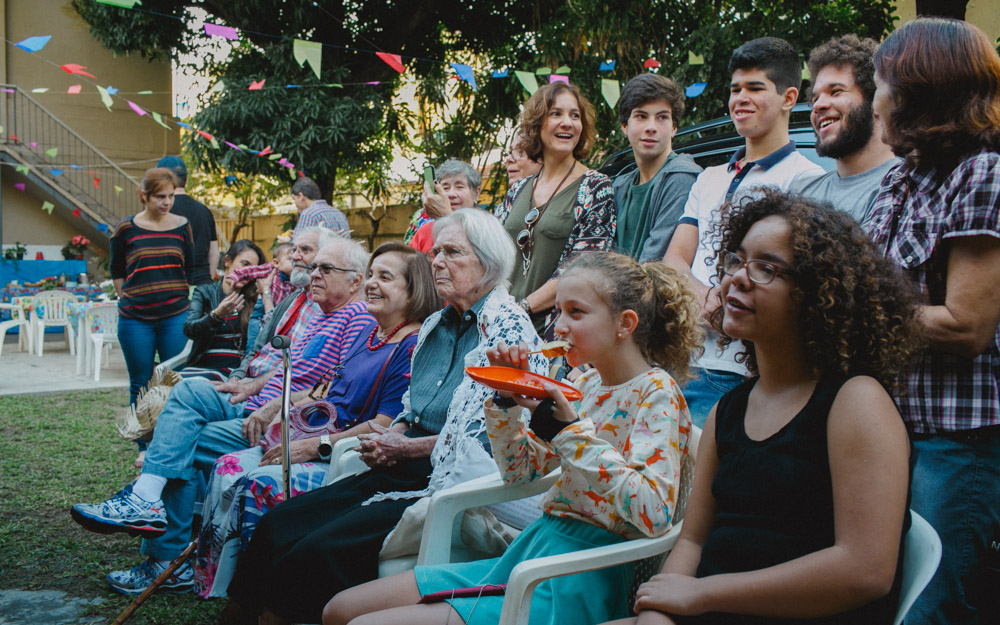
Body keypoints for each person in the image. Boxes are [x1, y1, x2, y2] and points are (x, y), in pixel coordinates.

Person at [326, 251, 701, 625]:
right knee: (339, 609)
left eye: (576, 312)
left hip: (576, 577)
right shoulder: (582, 384)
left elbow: (653, 512)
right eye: (557, 312)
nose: (558, 327)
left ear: (625, 323)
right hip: (532, 549)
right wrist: (506, 402)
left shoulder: (657, 392)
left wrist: (569, 434)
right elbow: (520, 474)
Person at [222, 208, 548, 625]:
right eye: (436, 252)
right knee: (277, 524)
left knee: (316, 551)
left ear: (488, 263)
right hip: (397, 461)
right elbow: (411, 409)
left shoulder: (507, 330)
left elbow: (490, 439)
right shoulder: (436, 324)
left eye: (452, 252)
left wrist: (406, 445)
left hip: (446, 479)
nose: (437, 261)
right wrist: (391, 437)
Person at [614, 190, 918, 625]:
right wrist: (658, 615)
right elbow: (694, 542)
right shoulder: (730, 410)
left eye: (766, 269)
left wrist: (700, 595)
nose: (737, 278)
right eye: (737, 261)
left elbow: (864, 570)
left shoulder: (855, 402)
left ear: (817, 293)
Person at [69, 237, 373, 595]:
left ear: (354, 280)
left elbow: (331, 387)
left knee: (178, 439)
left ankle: (160, 543)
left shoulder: (357, 317)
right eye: (313, 265)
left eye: (325, 268)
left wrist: (274, 407)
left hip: (279, 425)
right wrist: (253, 385)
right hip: (256, 403)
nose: (312, 273)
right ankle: (149, 505)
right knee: (186, 393)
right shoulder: (320, 313)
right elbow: (287, 370)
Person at [195, 242, 442, 598]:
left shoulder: (412, 344)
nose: (370, 283)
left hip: (344, 456)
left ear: (414, 289)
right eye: (371, 274)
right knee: (226, 466)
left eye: (384, 277)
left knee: (257, 484)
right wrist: (278, 408)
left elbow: (385, 425)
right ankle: (219, 586)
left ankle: (257, 598)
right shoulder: (369, 332)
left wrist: (314, 446)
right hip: (311, 434)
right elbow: (324, 387)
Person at [865, 18, 1000, 624]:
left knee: (931, 607)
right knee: (883, 596)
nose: (874, 102)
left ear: (918, 88)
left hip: (955, 440)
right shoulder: (899, 175)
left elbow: (966, 325)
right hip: (890, 434)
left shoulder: (983, 172)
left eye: (879, 84)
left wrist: (854, 310)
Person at [664, 37, 823, 427]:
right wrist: (704, 296)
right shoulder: (709, 176)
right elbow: (674, 258)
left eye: (755, 88)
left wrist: (730, 297)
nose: (741, 99)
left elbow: (796, 278)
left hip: (742, 369)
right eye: (735, 89)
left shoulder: (807, 180)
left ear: (788, 97)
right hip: (680, 359)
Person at [495, 82, 616, 337]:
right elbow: (490, 256)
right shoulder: (518, 190)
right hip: (501, 329)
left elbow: (584, 269)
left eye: (575, 115)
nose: (567, 122)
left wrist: (521, 309)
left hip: (554, 337)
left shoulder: (596, 187)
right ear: (537, 124)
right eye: (556, 113)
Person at [789, 35, 898, 223]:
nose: (818, 106)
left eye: (836, 91)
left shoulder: (905, 188)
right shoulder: (801, 192)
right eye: (814, 99)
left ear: (876, 101)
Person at [111, 167, 194, 409]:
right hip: (135, 319)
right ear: (144, 195)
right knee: (140, 383)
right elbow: (116, 270)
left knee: (172, 380)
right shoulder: (126, 228)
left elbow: (188, 268)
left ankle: (167, 439)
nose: (167, 202)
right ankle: (143, 443)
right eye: (160, 196)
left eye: (170, 196)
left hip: (175, 316)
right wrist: (126, 297)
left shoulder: (183, 226)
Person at [612, 74, 702, 261]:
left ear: (674, 127)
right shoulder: (619, 187)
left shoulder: (682, 178)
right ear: (624, 126)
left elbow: (654, 262)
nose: (651, 127)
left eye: (662, 117)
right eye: (641, 116)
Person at [179, 240, 267, 382]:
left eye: (253, 269)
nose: (247, 272)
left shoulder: (255, 298)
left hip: (237, 368)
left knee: (190, 384)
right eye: (244, 265)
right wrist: (217, 315)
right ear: (227, 261)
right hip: (203, 363)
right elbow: (189, 329)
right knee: (176, 383)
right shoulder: (205, 292)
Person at [157, 155, 219, 285]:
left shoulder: (160, 210)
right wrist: (208, 280)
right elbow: (214, 253)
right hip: (202, 285)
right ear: (185, 180)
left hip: (170, 287)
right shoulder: (204, 211)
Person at [407, 159, 483, 253]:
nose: (451, 194)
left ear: (476, 193)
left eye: (460, 187)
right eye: (445, 188)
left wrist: (445, 216)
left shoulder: (487, 228)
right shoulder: (423, 232)